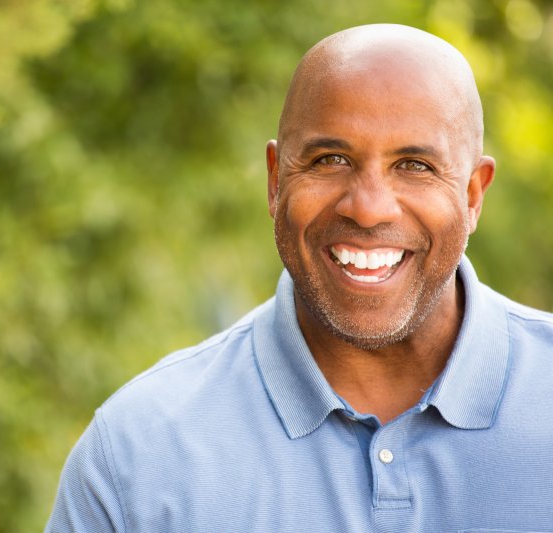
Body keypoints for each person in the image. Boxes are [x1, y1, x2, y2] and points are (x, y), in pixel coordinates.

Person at [46, 24, 553, 532]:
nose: (369, 208)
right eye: (331, 160)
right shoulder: (139, 453)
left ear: (472, 195)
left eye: (414, 165)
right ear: (275, 180)